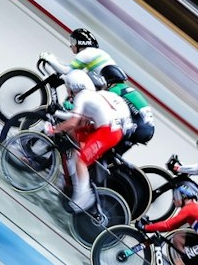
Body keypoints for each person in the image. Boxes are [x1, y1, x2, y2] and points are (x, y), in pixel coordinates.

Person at [37, 71, 135, 211]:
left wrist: (53, 130)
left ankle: (83, 196)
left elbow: (73, 121)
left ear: (74, 86)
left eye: (68, 87)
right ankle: (72, 179)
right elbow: (79, 123)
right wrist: (57, 116)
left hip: (109, 131)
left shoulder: (82, 96)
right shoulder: (92, 96)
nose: (68, 91)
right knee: (73, 135)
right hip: (112, 127)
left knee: (81, 159)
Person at [96, 65, 155, 152]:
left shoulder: (115, 90)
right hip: (146, 128)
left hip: (138, 127)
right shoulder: (125, 88)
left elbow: (100, 105)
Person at [39, 27, 115, 82]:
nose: (71, 45)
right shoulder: (98, 52)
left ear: (80, 43)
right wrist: (56, 59)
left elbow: (66, 71)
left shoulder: (85, 54)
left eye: (73, 42)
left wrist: (50, 59)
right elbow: (72, 67)